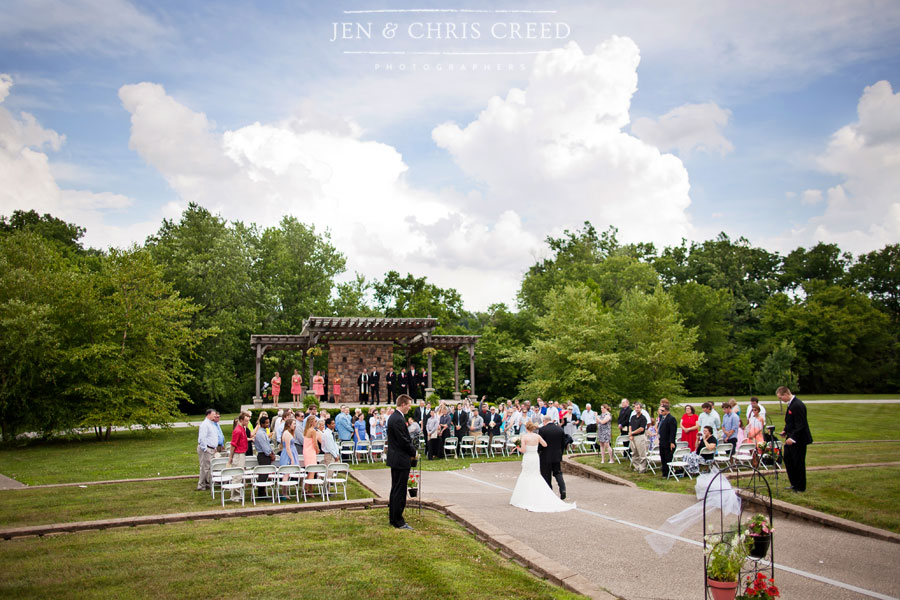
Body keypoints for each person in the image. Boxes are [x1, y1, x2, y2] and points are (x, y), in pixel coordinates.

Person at [509, 421, 576, 512]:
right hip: (535, 456)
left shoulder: (524, 437)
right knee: (535, 475)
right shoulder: (537, 436)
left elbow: (524, 450)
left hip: (528, 457)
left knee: (526, 474)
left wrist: (518, 447)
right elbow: (545, 444)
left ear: (526, 428)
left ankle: (526, 497)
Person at [386, 394, 418, 529]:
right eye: (409, 405)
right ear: (403, 404)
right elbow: (403, 441)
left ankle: (393, 517)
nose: (410, 408)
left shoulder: (395, 417)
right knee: (399, 490)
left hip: (396, 458)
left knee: (396, 488)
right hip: (400, 459)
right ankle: (398, 520)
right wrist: (414, 452)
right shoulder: (397, 419)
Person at [777, 386, 813, 492]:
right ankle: (794, 483)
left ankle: (800, 487)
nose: (780, 400)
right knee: (788, 459)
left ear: (786, 394)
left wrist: (792, 438)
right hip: (791, 436)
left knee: (798, 462)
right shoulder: (791, 404)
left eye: (780, 398)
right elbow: (791, 422)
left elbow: (800, 424)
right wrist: (785, 431)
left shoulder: (797, 405)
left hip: (799, 439)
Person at [537, 415, 569, 500]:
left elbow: (541, 444)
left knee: (546, 475)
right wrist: (560, 453)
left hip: (545, 456)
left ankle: (549, 492)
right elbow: (563, 444)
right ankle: (563, 489)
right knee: (558, 473)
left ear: (544, 421)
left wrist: (538, 452)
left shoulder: (542, 430)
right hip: (557, 455)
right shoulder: (560, 429)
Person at [227, 413, 250, 501]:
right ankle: (235, 496)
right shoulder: (237, 430)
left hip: (242, 453)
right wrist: (230, 457)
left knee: (240, 474)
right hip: (238, 454)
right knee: (237, 475)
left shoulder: (242, 429)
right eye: (246, 421)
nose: (247, 422)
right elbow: (233, 444)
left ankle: (237, 494)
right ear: (241, 420)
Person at [196, 408, 219, 491]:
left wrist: (214, 447)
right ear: (208, 415)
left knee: (209, 467)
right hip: (206, 449)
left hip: (211, 448)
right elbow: (202, 438)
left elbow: (212, 436)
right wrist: (205, 449)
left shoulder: (212, 424)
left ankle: (207, 482)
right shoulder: (205, 424)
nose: (215, 416)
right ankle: (201, 485)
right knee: (204, 467)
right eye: (214, 414)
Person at [657, 405, 677, 478]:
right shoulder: (662, 418)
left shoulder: (671, 419)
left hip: (668, 442)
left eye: (663, 410)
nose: (661, 412)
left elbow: (673, 431)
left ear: (667, 411)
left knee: (668, 457)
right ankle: (664, 472)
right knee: (663, 457)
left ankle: (668, 472)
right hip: (662, 441)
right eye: (660, 410)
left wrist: (672, 442)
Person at [628, 402, 649, 473]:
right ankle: (636, 467)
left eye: (638, 408)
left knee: (641, 453)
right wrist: (630, 434)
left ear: (641, 408)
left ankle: (642, 468)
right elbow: (630, 425)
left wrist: (633, 433)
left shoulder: (643, 418)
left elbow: (641, 428)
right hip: (633, 437)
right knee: (634, 453)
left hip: (640, 436)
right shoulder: (633, 417)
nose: (636, 409)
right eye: (635, 408)